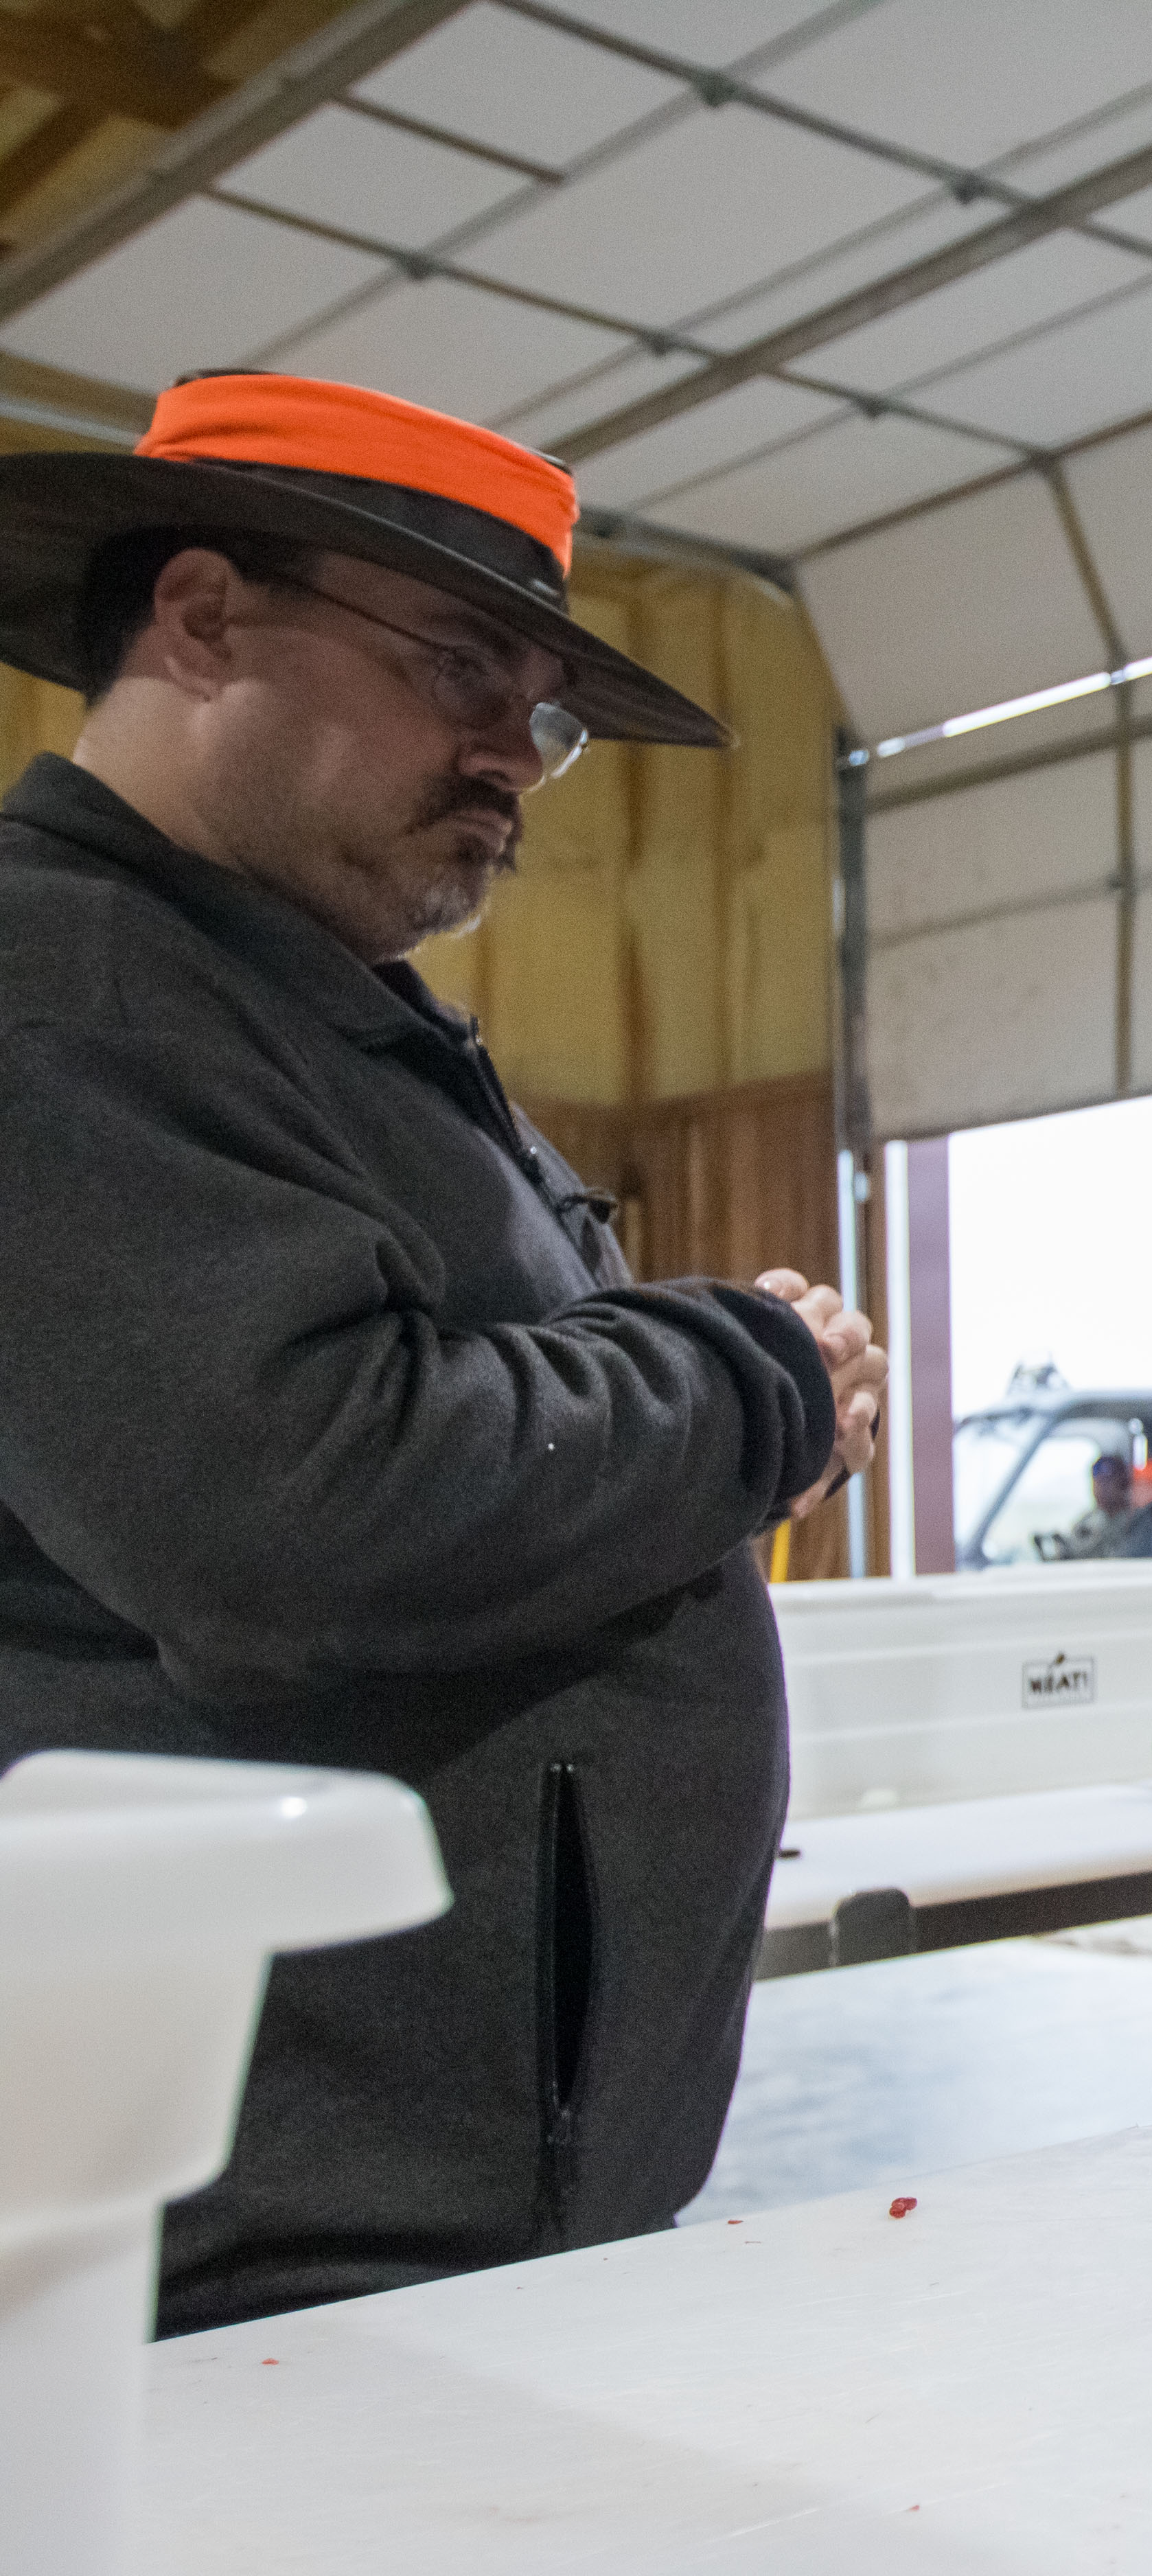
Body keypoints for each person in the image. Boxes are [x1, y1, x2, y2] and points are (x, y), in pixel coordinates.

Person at [0, 372, 884, 2332]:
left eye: (541, 714)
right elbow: (300, 1499)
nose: (511, 751)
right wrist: (754, 1378)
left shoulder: (305, 1006)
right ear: (204, 617)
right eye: (461, 668)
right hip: (259, 2211)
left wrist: (728, 1379)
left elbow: (513, 1400)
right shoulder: (59, 979)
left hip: (426, 2185)